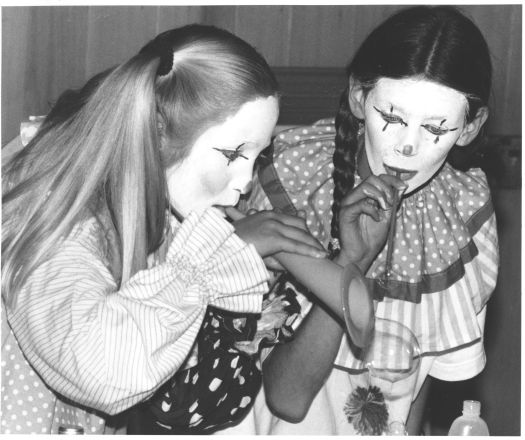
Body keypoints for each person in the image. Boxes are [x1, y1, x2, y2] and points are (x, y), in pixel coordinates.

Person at [1, 24, 401, 435]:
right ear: (157, 132)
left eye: (257, 156)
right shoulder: (61, 216)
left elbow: (200, 409)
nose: (244, 182)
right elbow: (105, 370)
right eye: (232, 154)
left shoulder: (153, 200)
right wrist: (210, 262)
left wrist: (240, 286)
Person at [236, 5, 499, 436]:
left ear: (469, 128)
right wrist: (351, 263)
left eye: (436, 129)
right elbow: (285, 398)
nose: (409, 147)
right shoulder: (294, 180)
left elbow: (424, 384)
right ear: (360, 97)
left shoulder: (461, 211)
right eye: (392, 118)